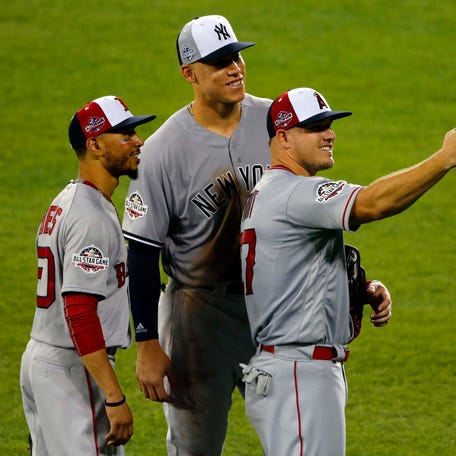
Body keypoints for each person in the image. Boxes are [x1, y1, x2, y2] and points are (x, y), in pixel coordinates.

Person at [122, 15, 391, 455]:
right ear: (189, 74)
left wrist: (359, 285)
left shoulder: (276, 123)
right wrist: (148, 342)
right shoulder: (163, 150)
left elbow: (313, 209)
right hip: (198, 314)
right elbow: (141, 251)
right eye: (219, 62)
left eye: (237, 56)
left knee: (293, 438)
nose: (236, 68)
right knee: (195, 445)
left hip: (273, 311)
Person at [240, 87, 456, 456]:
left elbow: (286, 272)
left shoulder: (270, 192)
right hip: (299, 373)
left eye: (330, 125)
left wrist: (358, 288)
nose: (330, 134)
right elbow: (373, 202)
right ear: (284, 138)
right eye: (316, 127)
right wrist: (445, 158)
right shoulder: (295, 193)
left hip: (289, 369)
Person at [20, 95, 156, 455]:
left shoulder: (67, 200)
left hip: (46, 358)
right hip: (73, 367)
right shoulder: (90, 217)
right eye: (125, 134)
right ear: (95, 144)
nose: (138, 141)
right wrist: (113, 397)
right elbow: (80, 310)